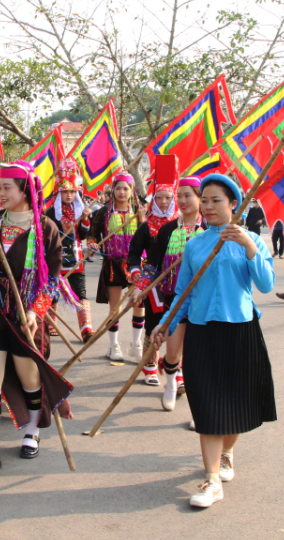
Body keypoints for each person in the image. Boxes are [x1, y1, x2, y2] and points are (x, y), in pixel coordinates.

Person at [151, 173, 277, 509]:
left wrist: (250, 246)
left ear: (233, 204)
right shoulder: (195, 245)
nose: (207, 206)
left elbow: (265, 284)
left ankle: (227, 454)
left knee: (234, 405)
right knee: (206, 405)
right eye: (203, 200)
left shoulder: (251, 239)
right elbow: (184, 295)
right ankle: (211, 480)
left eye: (215, 200)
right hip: (203, 334)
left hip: (240, 331)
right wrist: (164, 325)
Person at [0, 161, 73, 479]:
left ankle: (32, 431)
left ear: (25, 190)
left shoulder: (46, 228)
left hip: (26, 318)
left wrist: (35, 311)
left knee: (29, 379)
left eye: (6, 187)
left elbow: (53, 280)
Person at [129, 162, 202, 397]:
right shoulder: (168, 229)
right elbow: (152, 263)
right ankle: (169, 382)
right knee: (170, 342)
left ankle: (187, 388)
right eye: (178, 195)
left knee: (196, 347)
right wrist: (140, 287)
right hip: (171, 295)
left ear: (200, 198)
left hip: (203, 296)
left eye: (186, 196)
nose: (180, 200)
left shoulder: (211, 229)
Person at [89, 170, 146, 362]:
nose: (122, 192)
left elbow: (148, 237)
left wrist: (143, 219)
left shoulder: (139, 212)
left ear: (132, 191)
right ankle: (113, 346)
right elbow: (92, 234)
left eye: (126, 188)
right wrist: (92, 244)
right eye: (118, 188)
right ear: (113, 190)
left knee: (138, 303)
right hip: (112, 263)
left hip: (135, 264)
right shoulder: (103, 212)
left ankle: (136, 344)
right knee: (115, 307)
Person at [44, 156, 95, 341]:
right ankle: (51, 324)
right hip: (55, 257)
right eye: (65, 191)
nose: (69, 195)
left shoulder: (80, 210)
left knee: (80, 292)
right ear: (59, 192)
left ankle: (86, 330)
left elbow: (83, 232)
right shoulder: (50, 212)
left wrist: (86, 219)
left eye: (72, 191)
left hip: (75, 257)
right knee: (52, 292)